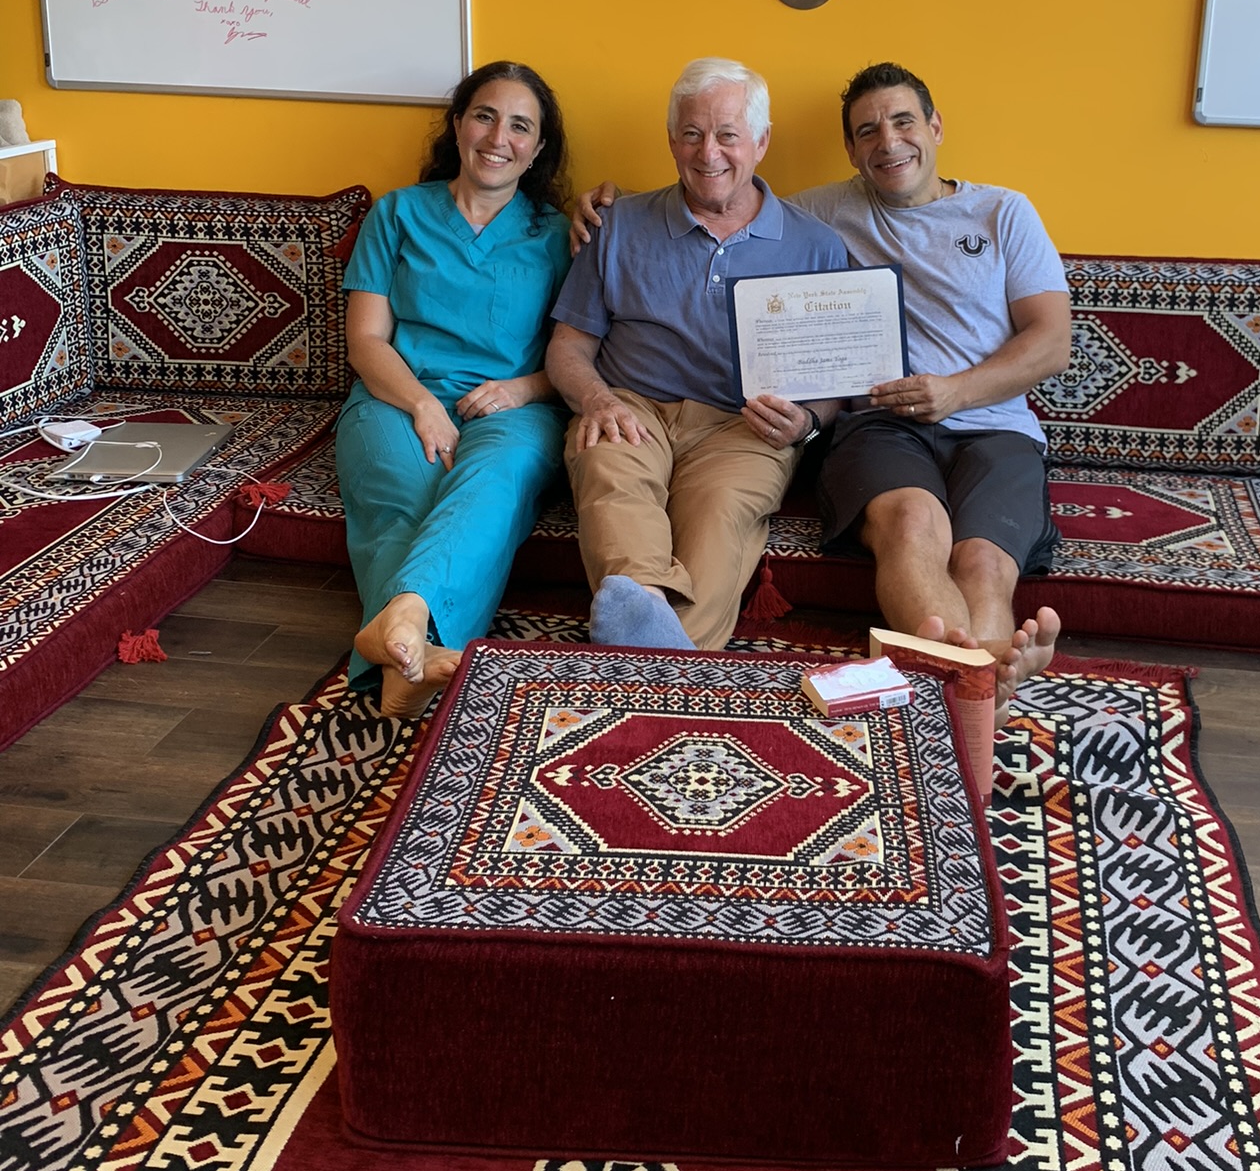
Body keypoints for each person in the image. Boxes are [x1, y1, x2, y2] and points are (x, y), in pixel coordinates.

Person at [546, 58, 848, 651]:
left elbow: (837, 381)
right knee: (610, 471)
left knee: (719, 514)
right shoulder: (616, 225)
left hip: (744, 425)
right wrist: (597, 400)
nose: (708, 152)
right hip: (631, 404)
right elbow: (568, 348)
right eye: (691, 133)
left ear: (760, 142)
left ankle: (649, 653)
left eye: (728, 134)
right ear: (671, 140)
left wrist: (807, 421)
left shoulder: (817, 246)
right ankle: (670, 656)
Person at [792, 62, 1070, 704]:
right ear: (851, 149)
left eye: (903, 121)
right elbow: (724, 201)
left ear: (935, 127)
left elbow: (1052, 341)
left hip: (996, 427)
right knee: (913, 524)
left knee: (981, 561)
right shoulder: (818, 212)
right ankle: (985, 682)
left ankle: (965, 687)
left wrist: (956, 392)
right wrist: (614, 202)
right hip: (880, 426)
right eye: (867, 131)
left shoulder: (1003, 211)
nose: (888, 142)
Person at [337, 62, 573, 715]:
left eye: (520, 126)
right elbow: (366, 342)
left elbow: (582, 352)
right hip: (394, 397)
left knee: (491, 483)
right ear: (458, 125)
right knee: (410, 499)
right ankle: (413, 646)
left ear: (538, 148)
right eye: (485, 117)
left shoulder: (557, 234)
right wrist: (421, 405)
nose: (499, 138)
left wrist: (524, 389)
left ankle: (396, 636)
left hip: (515, 409)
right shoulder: (398, 213)